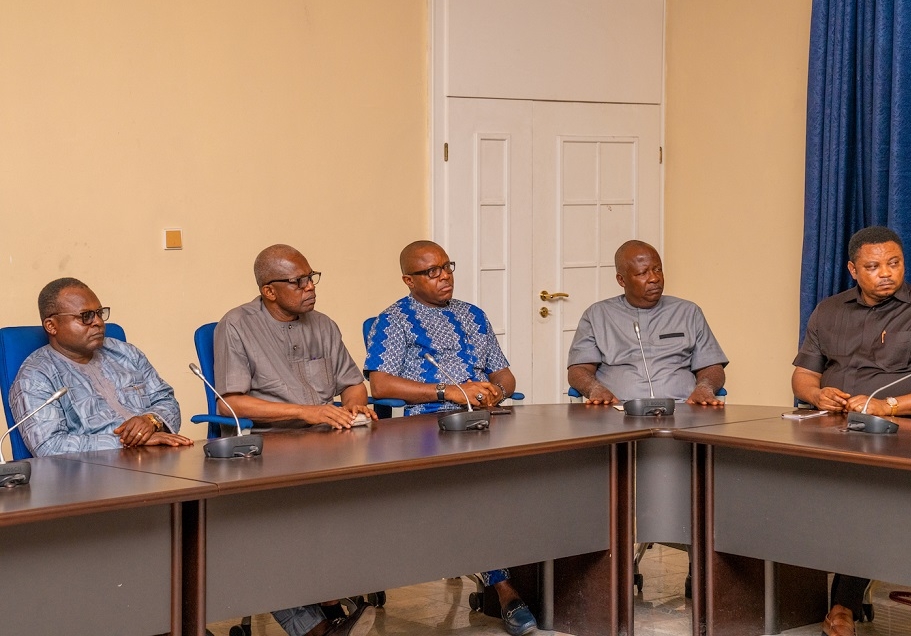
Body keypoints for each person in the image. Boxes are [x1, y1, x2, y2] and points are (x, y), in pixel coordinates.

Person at [792, 225, 911, 636]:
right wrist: (818, 396)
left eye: (894, 263)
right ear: (853, 270)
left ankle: (842, 604)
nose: (886, 273)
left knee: (861, 496)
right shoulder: (829, 310)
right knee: (781, 478)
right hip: (830, 424)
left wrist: (889, 405)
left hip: (896, 429)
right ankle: (787, 592)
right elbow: (803, 377)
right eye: (873, 267)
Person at [364, 240, 536, 636]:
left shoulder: (473, 315)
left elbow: (503, 372)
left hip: (486, 419)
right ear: (409, 279)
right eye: (431, 272)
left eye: (447, 267)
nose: (444, 277)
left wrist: (497, 391)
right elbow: (380, 382)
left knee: (537, 470)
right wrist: (449, 391)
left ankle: (543, 575)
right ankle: (507, 591)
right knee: (478, 488)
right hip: (427, 425)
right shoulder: (394, 320)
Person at [214, 244, 376, 636]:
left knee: (371, 500)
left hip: (330, 441)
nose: (310, 287)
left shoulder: (323, 324)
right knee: (276, 531)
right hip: (268, 448)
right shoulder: (236, 325)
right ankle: (318, 623)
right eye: (298, 281)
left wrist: (354, 408)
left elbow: (353, 383)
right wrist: (307, 411)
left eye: (311, 277)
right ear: (269, 290)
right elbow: (229, 403)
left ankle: (332, 600)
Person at [10, 278, 193, 456]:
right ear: (51, 326)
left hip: (155, 459)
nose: (98, 322)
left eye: (99, 313)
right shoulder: (36, 376)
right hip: (92, 476)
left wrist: (151, 420)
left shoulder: (125, 353)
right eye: (86, 316)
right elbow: (49, 446)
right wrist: (130, 441)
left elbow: (167, 401)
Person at [567, 240, 728, 406]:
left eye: (658, 269)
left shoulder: (688, 312)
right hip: (617, 411)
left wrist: (705, 388)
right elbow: (579, 369)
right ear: (621, 280)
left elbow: (712, 366)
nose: (654, 278)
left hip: (682, 409)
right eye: (643, 273)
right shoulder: (596, 315)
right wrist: (594, 389)